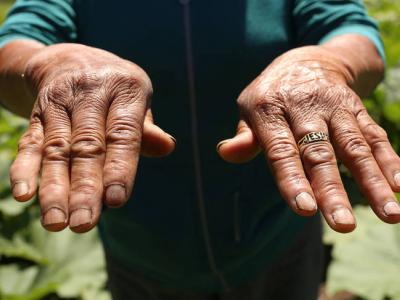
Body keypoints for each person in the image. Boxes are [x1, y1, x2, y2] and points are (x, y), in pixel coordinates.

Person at [0, 0, 399, 299]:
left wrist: (327, 64)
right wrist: (50, 65)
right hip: (140, 248)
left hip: (276, 236)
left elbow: (349, 27)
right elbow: (18, 40)